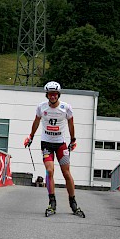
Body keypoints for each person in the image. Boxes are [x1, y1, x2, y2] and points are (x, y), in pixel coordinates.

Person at [24, 81, 83, 216]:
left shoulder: (66, 108)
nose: (52, 97)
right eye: (50, 94)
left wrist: (73, 140)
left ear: (58, 95)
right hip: (46, 143)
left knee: (66, 173)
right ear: (47, 95)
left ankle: (73, 202)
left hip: (61, 144)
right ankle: (52, 201)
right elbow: (36, 121)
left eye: (55, 94)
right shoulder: (41, 107)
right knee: (49, 171)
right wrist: (31, 136)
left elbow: (71, 124)